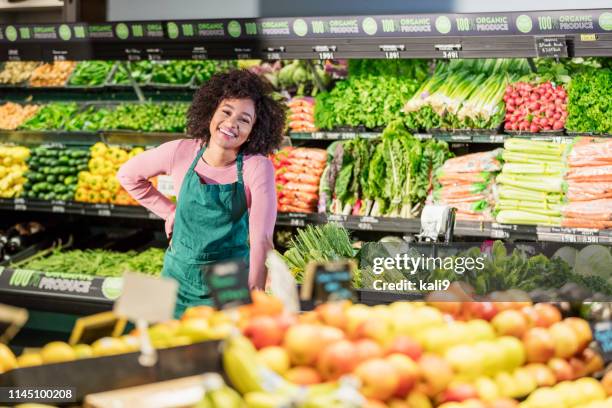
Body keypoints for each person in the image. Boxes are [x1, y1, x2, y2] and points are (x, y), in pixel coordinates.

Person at [117, 69, 286, 317]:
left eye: (244, 120)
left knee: (225, 349)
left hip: (229, 280)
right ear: (211, 111)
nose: (231, 124)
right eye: (226, 112)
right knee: (163, 344)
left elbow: (261, 239)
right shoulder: (180, 152)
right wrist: (170, 212)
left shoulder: (257, 167)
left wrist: (256, 292)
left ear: (255, 130)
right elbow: (128, 175)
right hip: (178, 275)